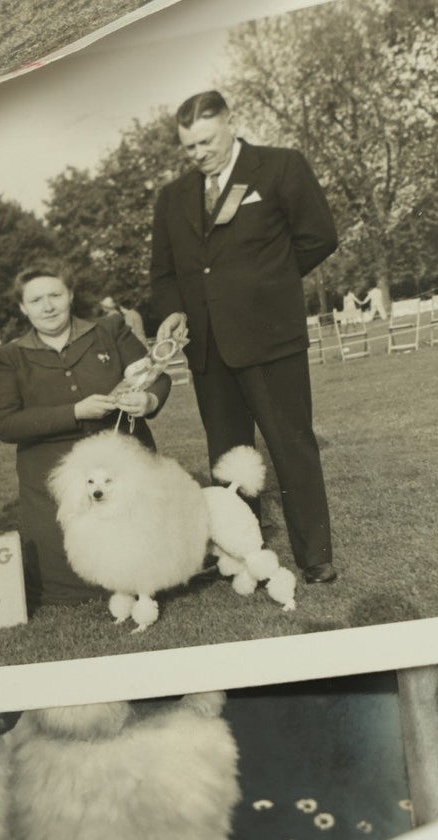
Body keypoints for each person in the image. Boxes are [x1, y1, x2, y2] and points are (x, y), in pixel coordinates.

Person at [150, 89, 340, 584]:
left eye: (207, 141)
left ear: (231, 123)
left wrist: (268, 287)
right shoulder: (172, 198)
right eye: (189, 147)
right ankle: (240, 550)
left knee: (290, 445)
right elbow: (164, 274)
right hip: (209, 350)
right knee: (227, 454)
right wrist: (172, 311)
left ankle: (315, 556)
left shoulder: (280, 167)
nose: (199, 154)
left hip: (271, 339)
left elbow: (320, 236)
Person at [0, 265, 170, 606]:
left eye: (55, 295)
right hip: (49, 474)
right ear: (23, 308)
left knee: (147, 563)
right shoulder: (8, 357)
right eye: (36, 300)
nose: (48, 306)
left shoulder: (111, 330)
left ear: (70, 295)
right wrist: (74, 412)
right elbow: (5, 424)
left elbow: (155, 375)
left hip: (122, 461)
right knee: (71, 585)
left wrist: (148, 399)